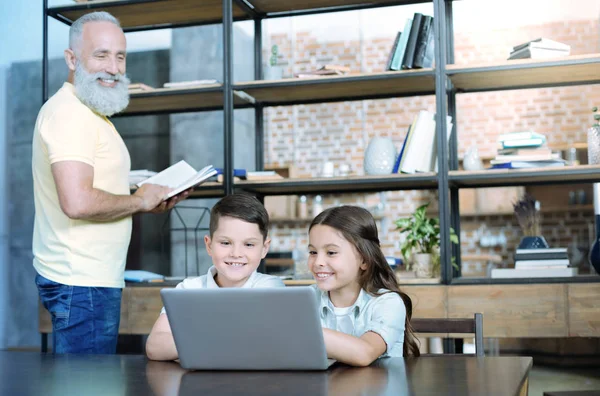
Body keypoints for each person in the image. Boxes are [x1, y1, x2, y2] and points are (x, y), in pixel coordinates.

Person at [32, 11, 188, 354]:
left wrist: (144, 197)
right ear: (72, 59)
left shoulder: (90, 113)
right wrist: (139, 201)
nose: (114, 67)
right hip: (81, 282)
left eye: (120, 56)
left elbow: (90, 187)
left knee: (90, 383)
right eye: (101, 55)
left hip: (90, 280)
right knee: (86, 386)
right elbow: (77, 202)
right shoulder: (69, 115)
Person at [145, 193, 285, 361]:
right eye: (225, 243)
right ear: (209, 245)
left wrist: (195, 340)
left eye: (249, 244)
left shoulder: (271, 288)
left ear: (264, 248)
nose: (236, 254)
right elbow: (155, 346)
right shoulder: (188, 290)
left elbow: (269, 345)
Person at [307, 205, 420, 366]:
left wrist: (299, 333)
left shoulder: (388, 303)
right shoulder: (307, 298)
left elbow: (364, 352)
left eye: (331, 252)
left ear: (364, 260)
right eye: (312, 252)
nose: (318, 262)